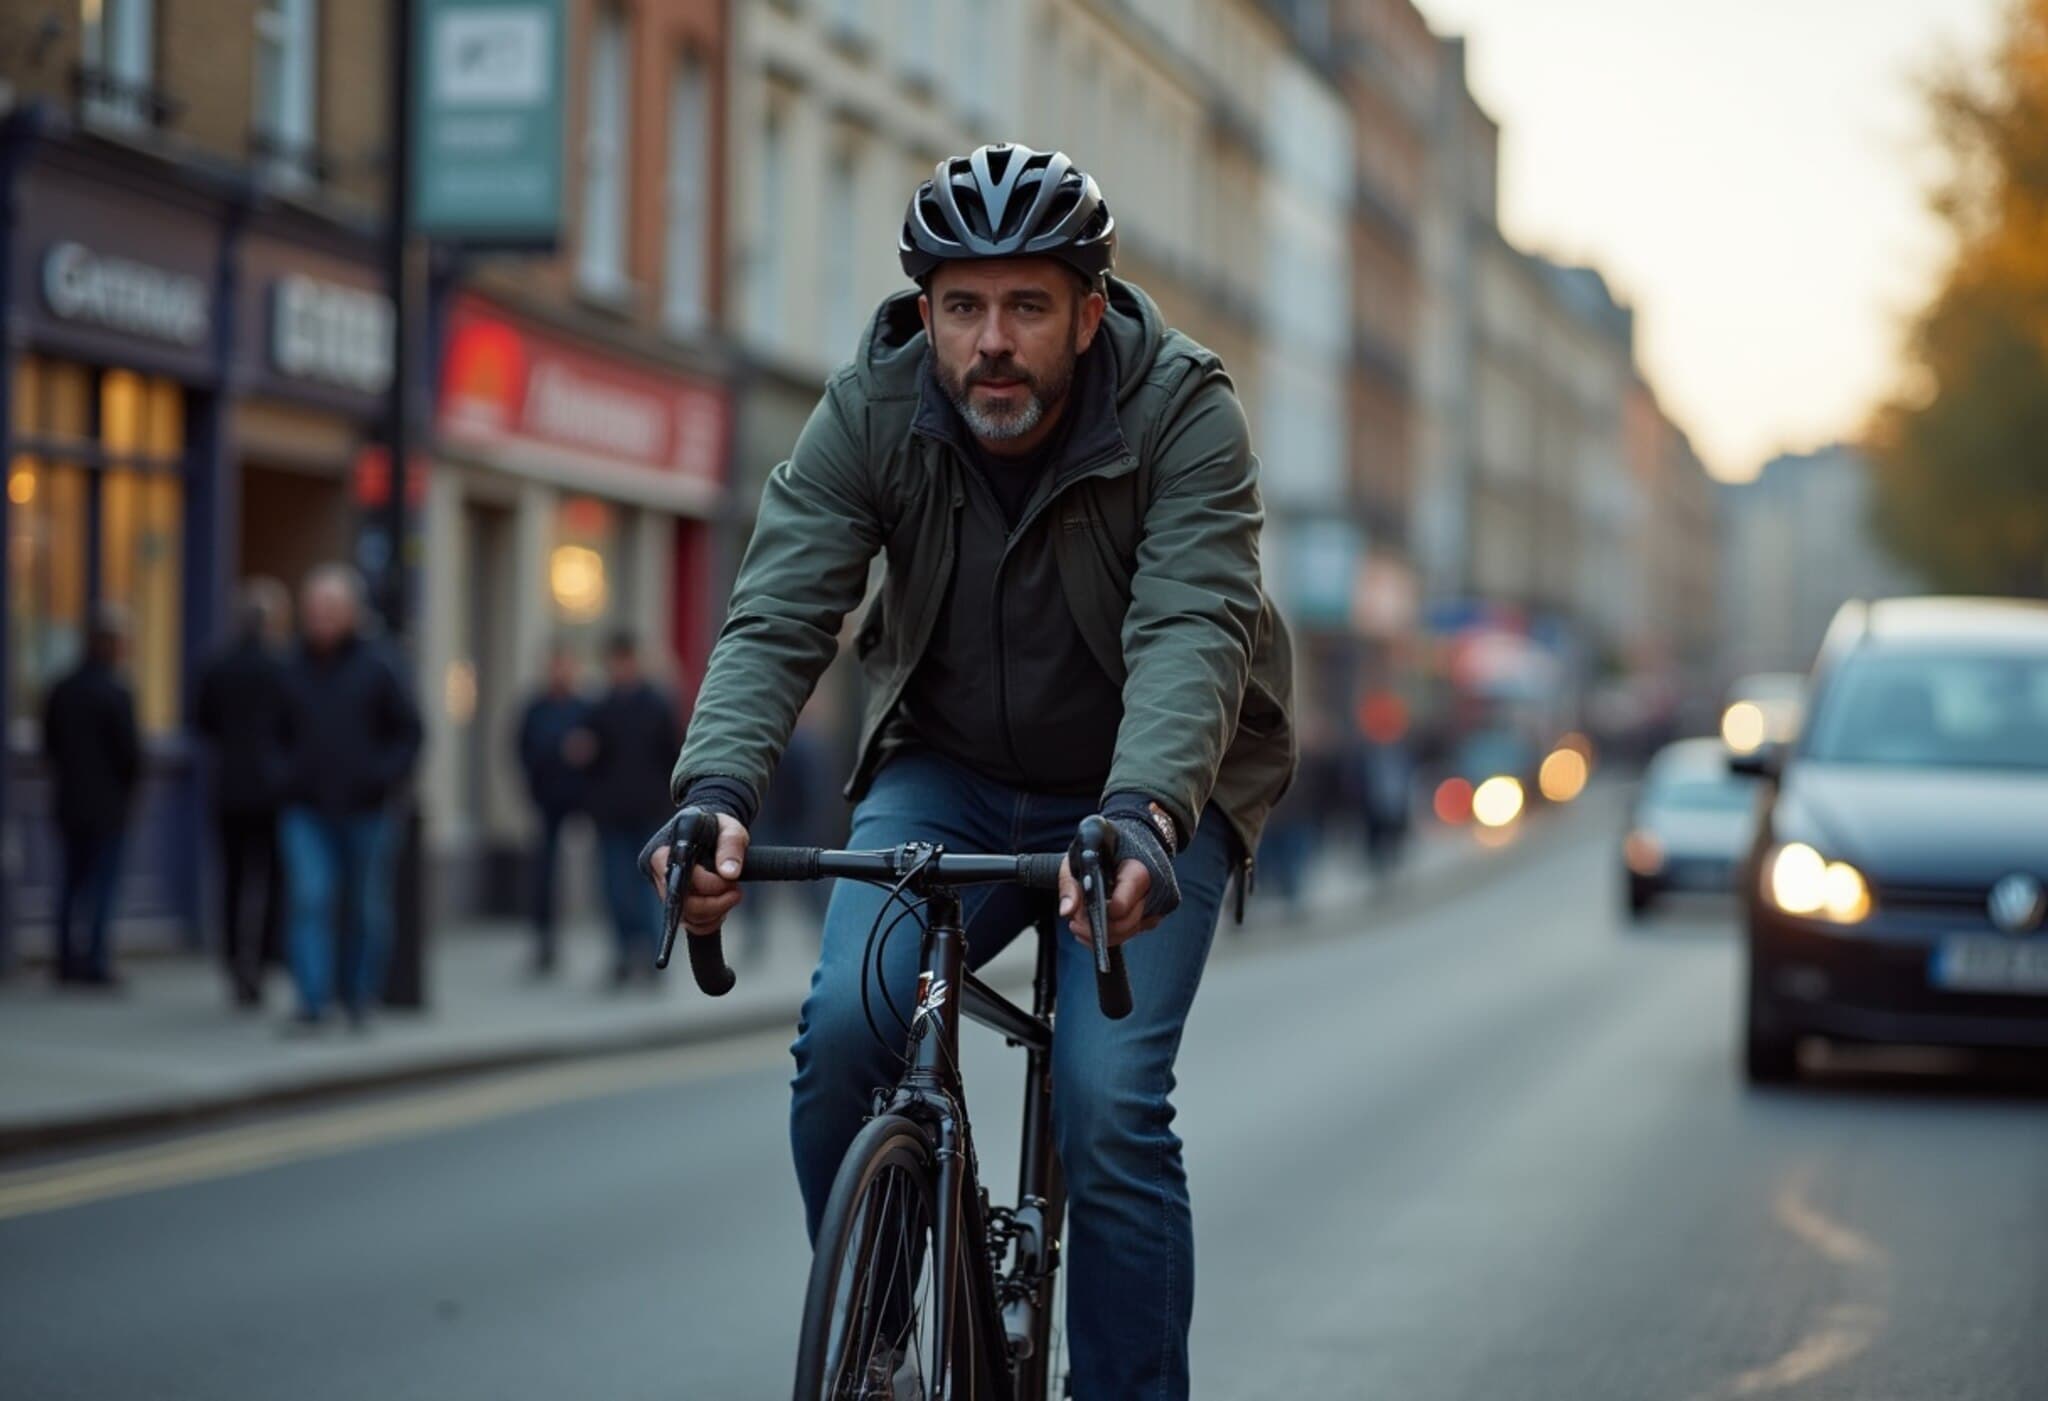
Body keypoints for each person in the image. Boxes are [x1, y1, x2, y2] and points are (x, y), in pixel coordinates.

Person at [646, 144, 1295, 1397]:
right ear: (926, 312)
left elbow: (1191, 625)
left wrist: (1147, 809)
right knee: (844, 1032)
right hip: (948, 766)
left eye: (1025, 306)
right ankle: (881, 1347)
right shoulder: (873, 406)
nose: (989, 341)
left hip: (1156, 788)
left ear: (1088, 311)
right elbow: (781, 610)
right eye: (961, 306)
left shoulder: (1181, 409)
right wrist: (712, 795)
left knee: (1107, 1108)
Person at [278, 566, 422, 1029]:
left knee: (365, 907)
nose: (319, 618)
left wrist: (381, 777)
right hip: (306, 808)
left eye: (330, 609)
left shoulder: (381, 663)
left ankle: (359, 997)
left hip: (368, 810)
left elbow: (411, 733)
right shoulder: (290, 665)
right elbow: (269, 733)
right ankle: (313, 1002)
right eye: (313, 609)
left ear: (352, 613)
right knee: (310, 899)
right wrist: (283, 776)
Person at [195, 579, 295, 1007]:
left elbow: (202, 723)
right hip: (272, 791)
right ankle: (264, 958)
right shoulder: (283, 669)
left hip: (230, 789)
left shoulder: (217, 667)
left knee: (233, 881)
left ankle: (235, 961)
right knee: (271, 879)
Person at [42, 606, 142, 988]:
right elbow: (129, 754)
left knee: (69, 882)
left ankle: (66, 959)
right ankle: (96, 961)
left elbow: (49, 743)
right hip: (108, 805)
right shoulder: (116, 693)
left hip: (69, 800)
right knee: (102, 885)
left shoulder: (62, 689)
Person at [583, 632, 680, 985]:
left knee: (651, 887)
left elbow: (673, 755)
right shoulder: (601, 707)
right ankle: (623, 953)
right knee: (614, 888)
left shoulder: (656, 705)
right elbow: (588, 758)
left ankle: (656, 955)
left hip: (650, 815)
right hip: (611, 815)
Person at [514, 644, 593, 976]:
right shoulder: (536, 708)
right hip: (546, 798)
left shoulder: (584, 708)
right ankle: (544, 939)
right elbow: (521, 748)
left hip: (579, 798)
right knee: (544, 871)